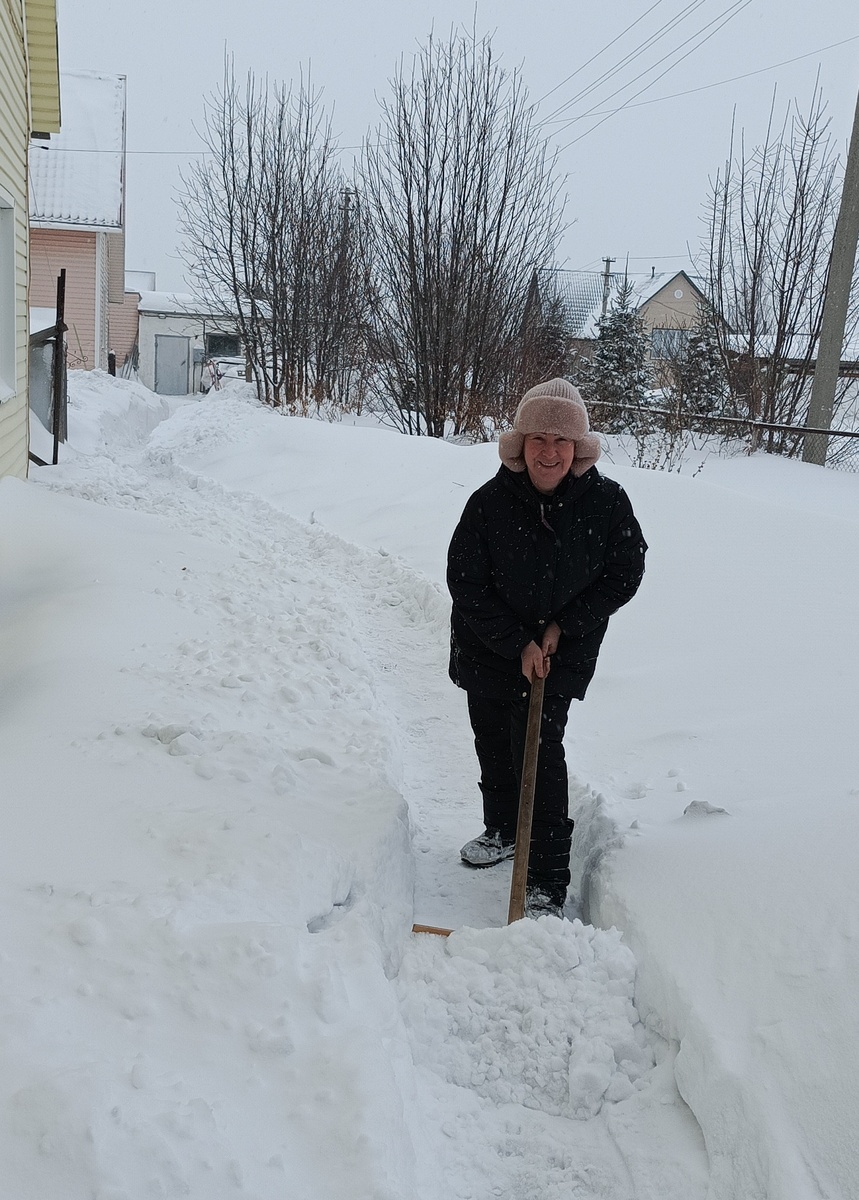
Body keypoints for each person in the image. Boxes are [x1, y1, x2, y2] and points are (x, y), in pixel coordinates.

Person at [446, 377, 647, 919]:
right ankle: (503, 829)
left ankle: (545, 881)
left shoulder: (606, 503)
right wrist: (516, 643)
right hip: (488, 649)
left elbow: (626, 570)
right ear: (521, 444)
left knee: (540, 752)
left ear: (579, 447)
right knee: (494, 741)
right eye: (539, 439)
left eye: (562, 441)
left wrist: (565, 626)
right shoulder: (488, 503)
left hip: (561, 653)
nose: (550, 452)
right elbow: (465, 582)